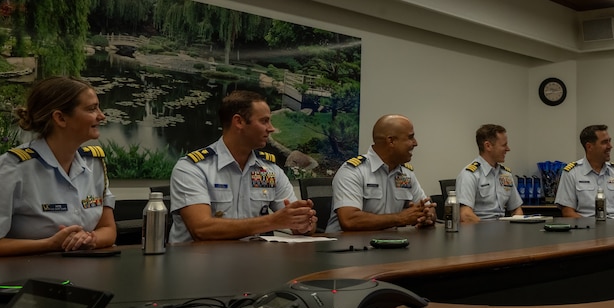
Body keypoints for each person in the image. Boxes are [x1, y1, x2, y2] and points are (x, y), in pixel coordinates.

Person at [0, 76, 117, 259]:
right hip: (23, 281)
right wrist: (48, 245)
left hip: (81, 276)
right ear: (60, 118)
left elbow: (108, 229)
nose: (101, 115)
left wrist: (90, 239)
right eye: (91, 108)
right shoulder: (12, 168)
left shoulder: (94, 163)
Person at [169, 90, 315, 243]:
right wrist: (274, 221)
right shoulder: (194, 168)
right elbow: (201, 229)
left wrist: (303, 222)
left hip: (254, 261)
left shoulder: (268, 170)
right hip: (198, 262)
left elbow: (299, 221)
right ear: (239, 122)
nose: (271, 128)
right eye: (264, 121)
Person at [327, 114, 435, 232]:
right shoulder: (353, 171)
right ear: (391, 141)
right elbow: (349, 220)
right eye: (410, 137)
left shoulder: (406, 173)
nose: (415, 143)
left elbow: (428, 208)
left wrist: (426, 215)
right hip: (348, 247)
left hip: (389, 245)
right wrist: (400, 218)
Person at [556, 124, 614, 218]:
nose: (610, 146)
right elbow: (568, 212)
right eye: (604, 142)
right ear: (589, 147)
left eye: (609, 141)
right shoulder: (572, 173)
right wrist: (590, 229)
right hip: (586, 227)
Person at [455, 124, 523, 223]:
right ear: (488, 146)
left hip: (504, 232)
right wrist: (490, 231)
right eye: (504, 145)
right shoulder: (470, 175)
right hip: (479, 232)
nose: (508, 149)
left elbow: (517, 209)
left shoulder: (505, 174)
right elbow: (465, 215)